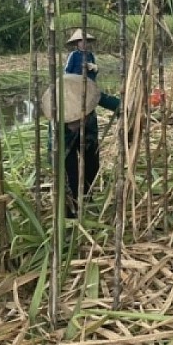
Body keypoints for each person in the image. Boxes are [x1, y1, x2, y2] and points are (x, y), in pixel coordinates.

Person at [62, 28, 120, 218]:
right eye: (81, 41)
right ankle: (72, 211)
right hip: (67, 138)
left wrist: (124, 107)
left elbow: (99, 96)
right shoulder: (64, 104)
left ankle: (88, 197)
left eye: (86, 42)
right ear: (76, 43)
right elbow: (66, 76)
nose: (84, 44)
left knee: (92, 164)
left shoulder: (91, 58)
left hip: (88, 129)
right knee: (70, 172)